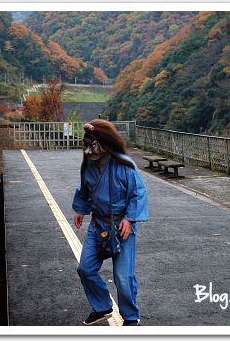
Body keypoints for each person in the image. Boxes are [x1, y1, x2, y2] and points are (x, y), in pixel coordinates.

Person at [72, 119, 148, 326]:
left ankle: (131, 317)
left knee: (123, 277)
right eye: (87, 145)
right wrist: (81, 209)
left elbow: (138, 193)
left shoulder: (125, 164)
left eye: (94, 145)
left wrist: (130, 219)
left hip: (122, 226)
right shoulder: (88, 165)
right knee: (85, 268)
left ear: (105, 143)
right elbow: (85, 189)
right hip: (98, 225)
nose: (90, 150)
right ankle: (102, 306)